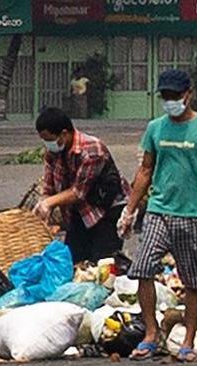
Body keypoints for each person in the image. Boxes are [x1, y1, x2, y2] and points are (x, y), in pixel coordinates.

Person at [117, 69, 197, 362]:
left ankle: (188, 340)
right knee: (142, 269)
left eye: (175, 96)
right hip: (159, 211)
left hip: (195, 214)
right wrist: (129, 210)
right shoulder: (156, 128)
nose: (170, 101)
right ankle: (151, 334)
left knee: (194, 281)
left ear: (188, 94)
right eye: (165, 97)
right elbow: (145, 170)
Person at [34, 107, 130, 264]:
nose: (48, 144)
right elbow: (49, 186)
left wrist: (49, 203)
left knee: (103, 265)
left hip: (106, 209)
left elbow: (78, 192)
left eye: (50, 140)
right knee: (75, 263)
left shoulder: (92, 150)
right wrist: (44, 205)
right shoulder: (52, 152)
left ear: (64, 134)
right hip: (80, 212)